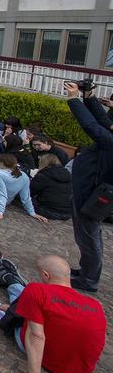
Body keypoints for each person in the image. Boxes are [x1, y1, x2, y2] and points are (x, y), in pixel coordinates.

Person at [0, 255, 106, 373]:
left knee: (22, 294)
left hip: (47, 357)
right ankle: (15, 289)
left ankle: (11, 280)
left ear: (45, 275)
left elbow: (36, 335)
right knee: (31, 300)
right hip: (81, 369)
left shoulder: (37, 289)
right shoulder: (95, 305)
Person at [64, 81, 112, 293]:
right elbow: (102, 121)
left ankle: (89, 280)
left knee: (89, 235)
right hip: (92, 189)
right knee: (87, 234)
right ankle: (86, 272)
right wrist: (89, 96)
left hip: (95, 193)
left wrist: (74, 99)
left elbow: (92, 126)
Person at [0, 153, 47, 222]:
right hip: (8, 201)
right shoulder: (24, 176)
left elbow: (1, 193)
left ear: (1, 163)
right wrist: (32, 212)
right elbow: (26, 197)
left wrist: (0, 212)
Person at [29, 153, 72, 220]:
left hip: (48, 211)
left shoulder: (44, 175)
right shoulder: (67, 175)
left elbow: (30, 191)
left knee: (22, 194)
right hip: (67, 213)